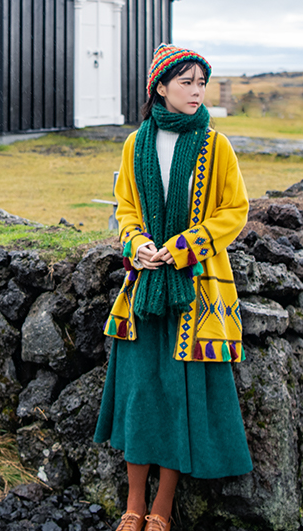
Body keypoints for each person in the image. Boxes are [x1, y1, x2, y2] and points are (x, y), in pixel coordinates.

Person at [93, 44, 253, 531]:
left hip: (196, 291)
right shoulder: (135, 144)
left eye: (201, 82)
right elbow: (126, 208)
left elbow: (235, 210)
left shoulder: (215, 145)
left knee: (179, 396)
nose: (196, 91)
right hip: (145, 288)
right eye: (185, 81)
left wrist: (186, 245)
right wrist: (136, 241)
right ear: (160, 88)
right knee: (141, 394)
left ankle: (162, 507)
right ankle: (133, 503)